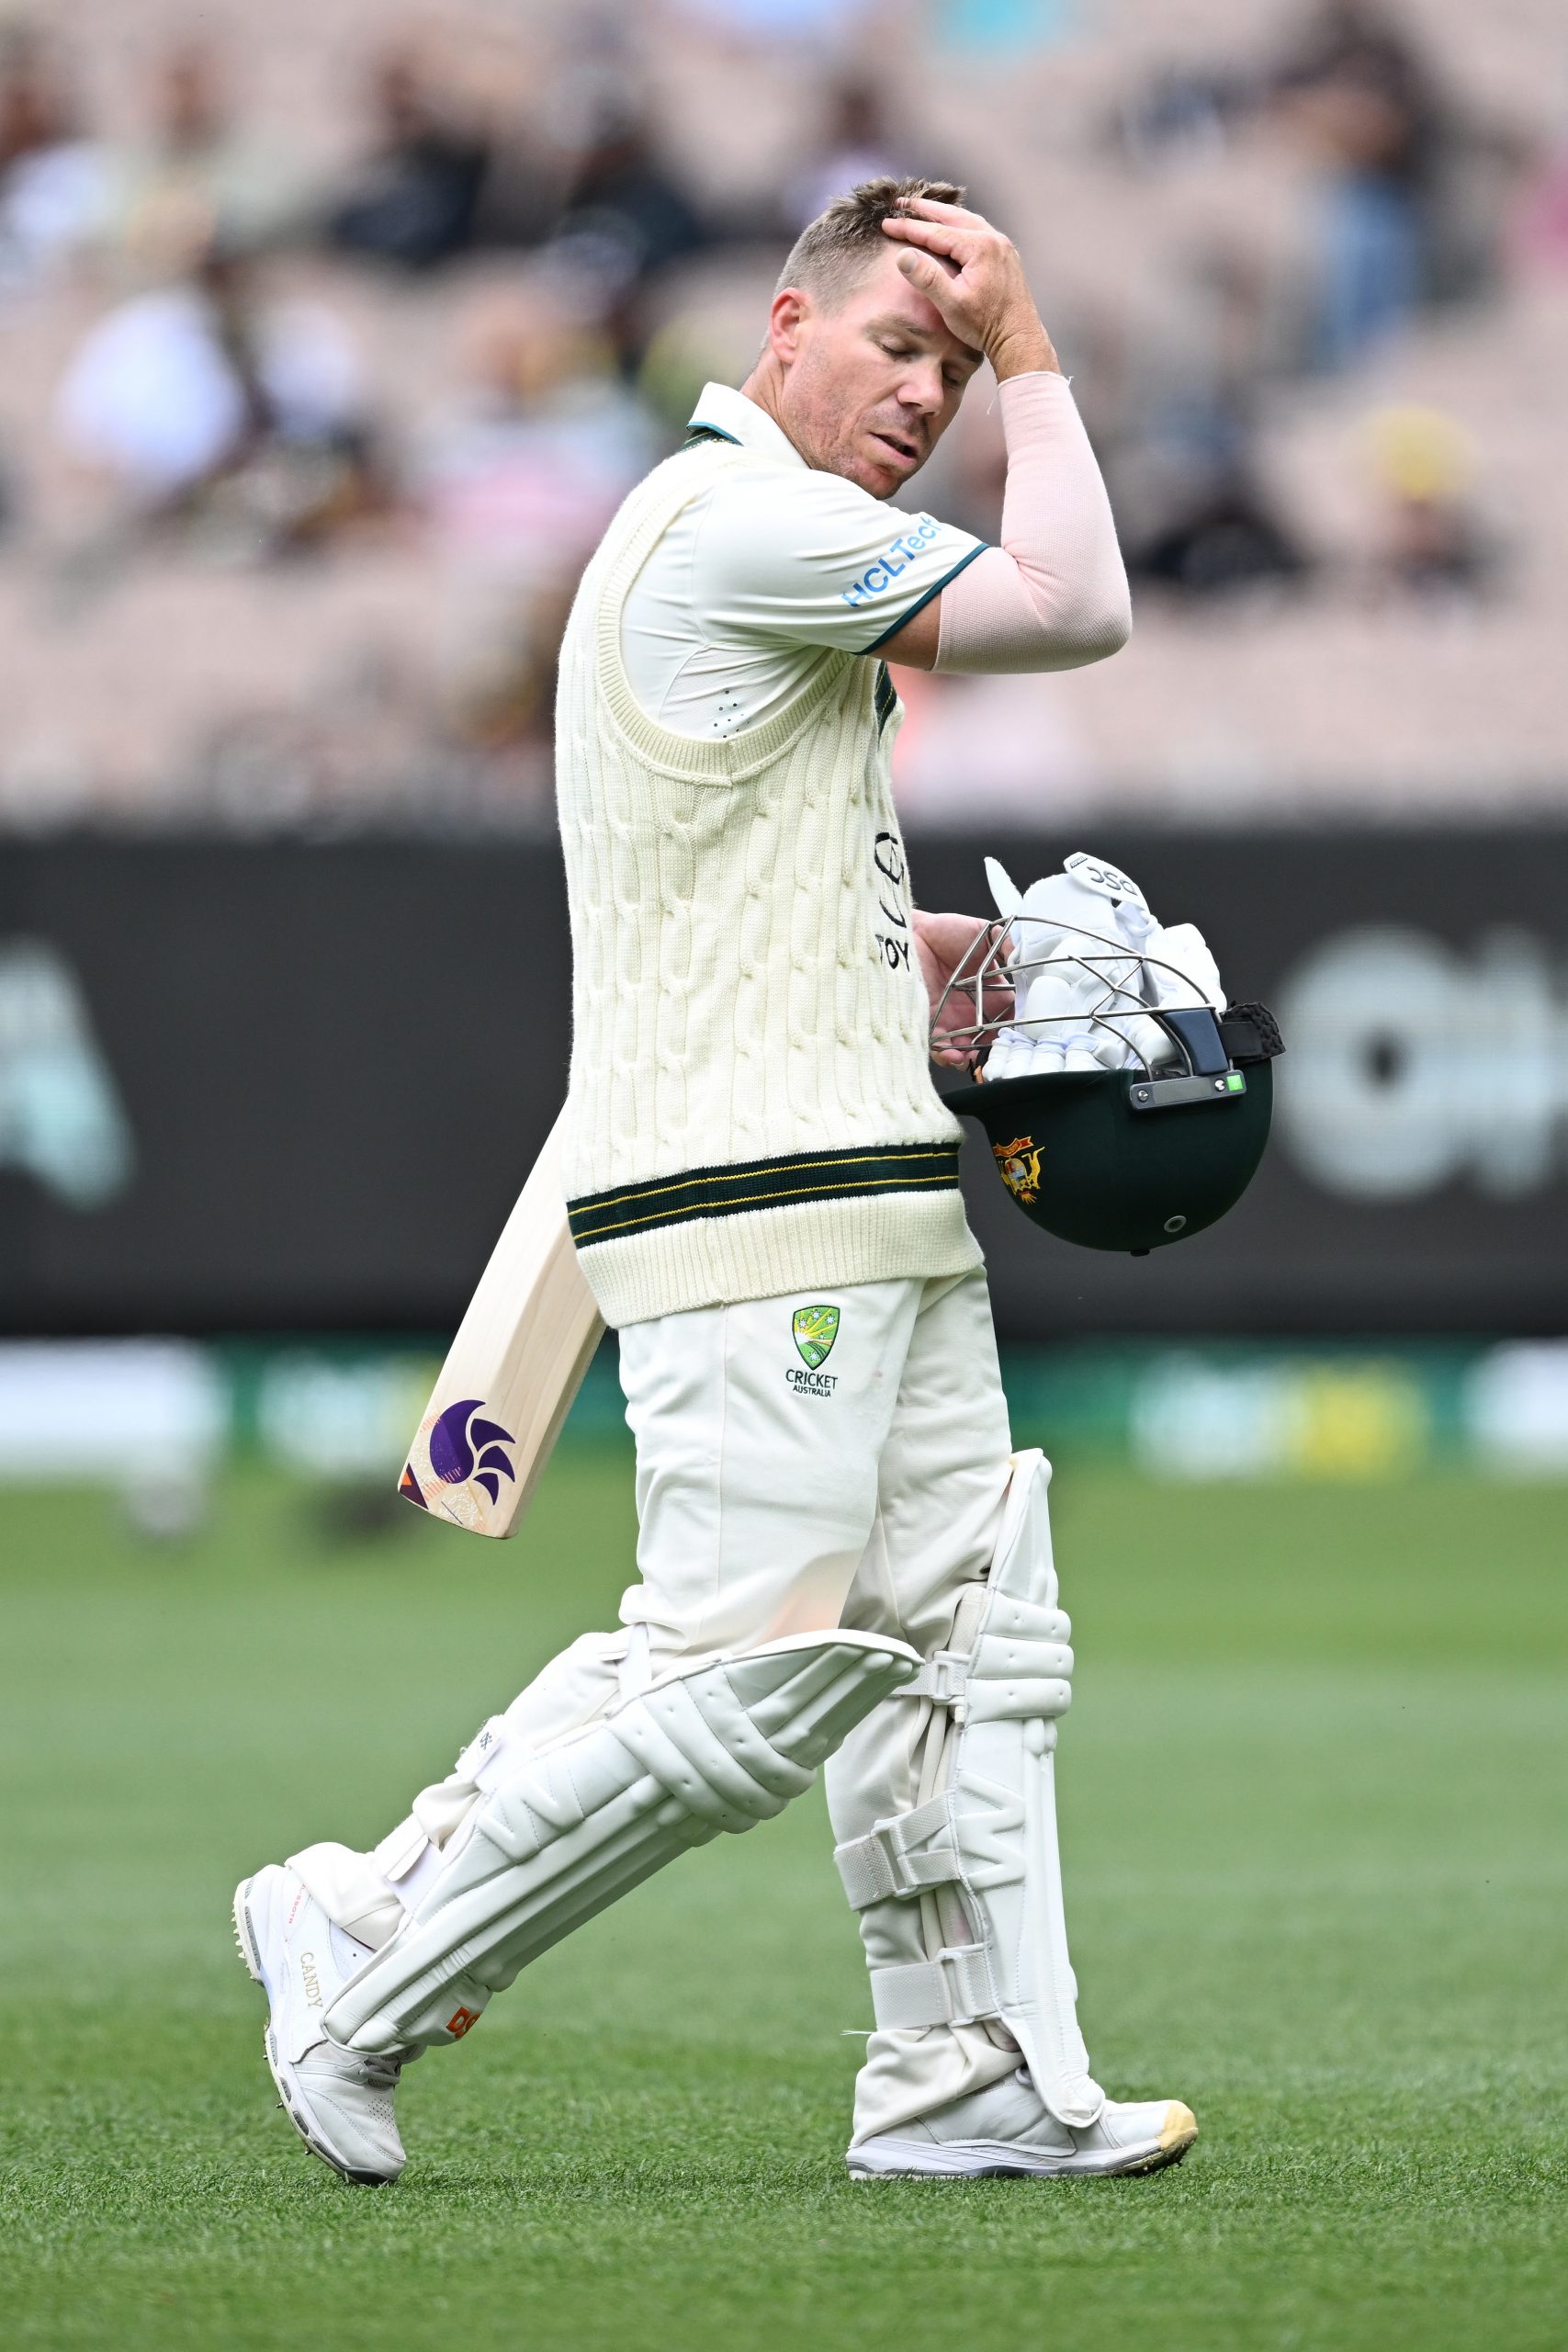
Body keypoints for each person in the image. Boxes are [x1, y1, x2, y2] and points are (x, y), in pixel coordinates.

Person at [234, 175, 1198, 2187]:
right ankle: (362, 1954)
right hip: (750, 1193)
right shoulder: (734, 517)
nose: (924, 394)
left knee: (962, 1629)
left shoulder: (749, 551)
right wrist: (1033, 344)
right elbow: (1073, 607)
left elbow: (741, 862)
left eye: (950, 368)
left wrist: (924, 954)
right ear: (784, 325)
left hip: (868, 1179)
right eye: (897, 350)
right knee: (740, 1675)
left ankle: (965, 2070)